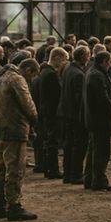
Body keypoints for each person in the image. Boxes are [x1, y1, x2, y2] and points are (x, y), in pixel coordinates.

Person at [0, 54, 39, 221]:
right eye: (32, 74)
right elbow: (28, 104)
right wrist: (34, 118)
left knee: (0, 168)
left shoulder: (1, 78)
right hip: (15, 129)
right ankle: (14, 205)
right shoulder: (17, 80)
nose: (31, 79)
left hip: (0, 128)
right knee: (15, 169)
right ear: (27, 69)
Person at [82, 51, 111, 192]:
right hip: (99, 119)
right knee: (101, 150)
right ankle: (98, 180)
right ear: (104, 61)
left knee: (93, 149)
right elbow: (103, 98)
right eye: (109, 62)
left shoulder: (92, 72)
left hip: (93, 118)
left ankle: (90, 178)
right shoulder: (97, 76)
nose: (110, 66)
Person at [59, 45, 89, 185]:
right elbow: (80, 99)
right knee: (79, 145)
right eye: (87, 55)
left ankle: (68, 173)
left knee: (69, 144)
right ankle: (76, 174)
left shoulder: (68, 69)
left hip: (66, 113)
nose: (89, 57)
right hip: (76, 116)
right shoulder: (79, 74)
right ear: (82, 56)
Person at [35, 47, 65, 179]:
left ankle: (48, 168)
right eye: (64, 59)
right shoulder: (51, 74)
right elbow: (56, 95)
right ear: (57, 58)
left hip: (45, 110)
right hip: (51, 112)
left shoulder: (44, 72)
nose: (64, 62)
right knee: (52, 142)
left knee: (48, 141)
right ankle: (53, 170)